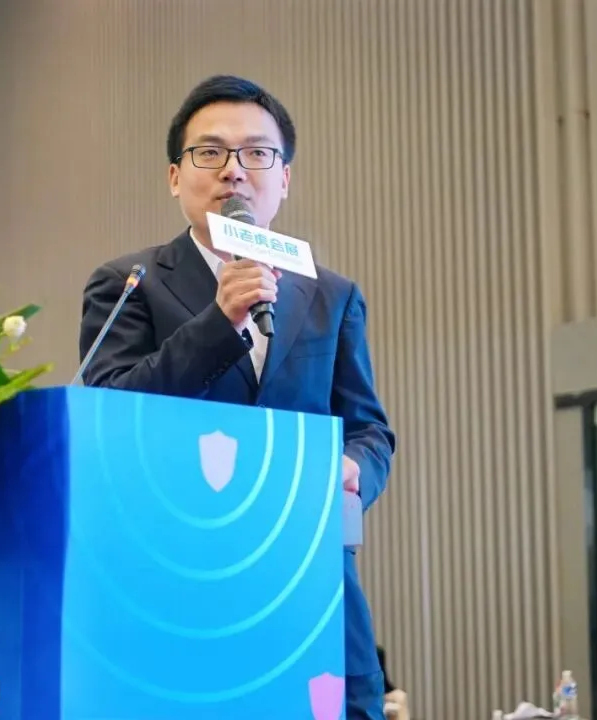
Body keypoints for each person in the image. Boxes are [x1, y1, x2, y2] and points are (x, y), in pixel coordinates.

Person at [77, 74, 396, 719]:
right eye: (210, 152)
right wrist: (219, 323)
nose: (233, 169)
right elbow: (109, 409)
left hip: (305, 573)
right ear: (175, 177)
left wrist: (355, 469)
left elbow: (368, 428)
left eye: (257, 152)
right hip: (177, 574)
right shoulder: (130, 282)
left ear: (285, 179)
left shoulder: (331, 294)